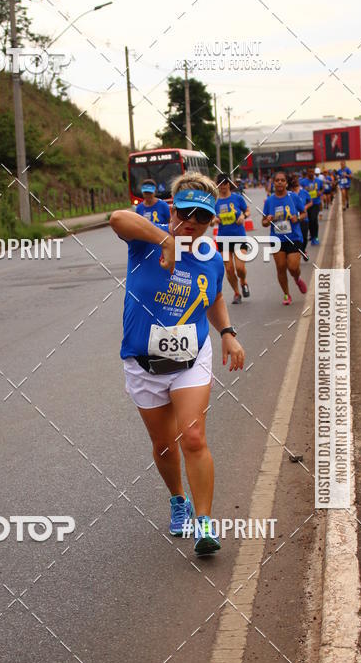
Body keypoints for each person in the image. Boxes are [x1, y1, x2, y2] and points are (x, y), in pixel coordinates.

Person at [110, 173, 245, 555]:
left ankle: (204, 521)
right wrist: (165, 239)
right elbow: (118, 218)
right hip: (142, 362)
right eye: (185, 213)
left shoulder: (210, 258)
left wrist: (228, 332)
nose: (192, 223)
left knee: (193, 437)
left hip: (190, 359)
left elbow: (214, 297)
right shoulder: (145, 242)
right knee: (164, 444)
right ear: (172, 208)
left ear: (211, 222)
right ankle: (177, 500)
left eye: (202, 218)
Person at [263, 172, 307, 304]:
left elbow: (304, 213)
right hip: (277, 239)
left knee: (293, 267)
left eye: (282, 180)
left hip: (294, 237)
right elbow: (263, 223)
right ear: (273, 183)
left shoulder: (293, 197)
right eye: (277, 180)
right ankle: (286, 294)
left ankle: (297, 278)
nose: (280, 182)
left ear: (286, 183)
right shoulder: (270, 201)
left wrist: (297, 218)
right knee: (281, 267)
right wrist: (268, 219)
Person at [214, 174, 251, 304]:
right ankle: (236, 293)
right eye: (220, 184)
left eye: (224, 184)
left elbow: (247, 210)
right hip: (223, 239)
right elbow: (211, 219)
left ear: (229, 184)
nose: (222, 187)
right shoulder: (215, 202)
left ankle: (243, 282)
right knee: (229, 269)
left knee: (240, 268)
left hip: (239, 237)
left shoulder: (237, 198)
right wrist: (214, 220)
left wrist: (243, 216)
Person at [300, 167, 324, 245]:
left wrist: (320, 192)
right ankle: (312, 236)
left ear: (314, 172)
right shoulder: (303, 182)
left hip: (316, 203)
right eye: (309, 172)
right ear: (307, 173)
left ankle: (315, 237)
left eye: (312, 172)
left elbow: (322, 188)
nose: (311, 173)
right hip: (307, 204)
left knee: (314, 219)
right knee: (310, 221)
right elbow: (300, 191)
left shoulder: (318, 181)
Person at [288, 173, 312, 248]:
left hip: (304, 219)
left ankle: (303, 250)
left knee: (304, 238)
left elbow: (310, 202)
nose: (295, 181)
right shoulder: (288, 194)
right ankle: (297, 251)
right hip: (293, 220)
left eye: (296, 179)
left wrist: (305, 207)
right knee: (295, 239)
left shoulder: (304, 192)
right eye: (293, 179)